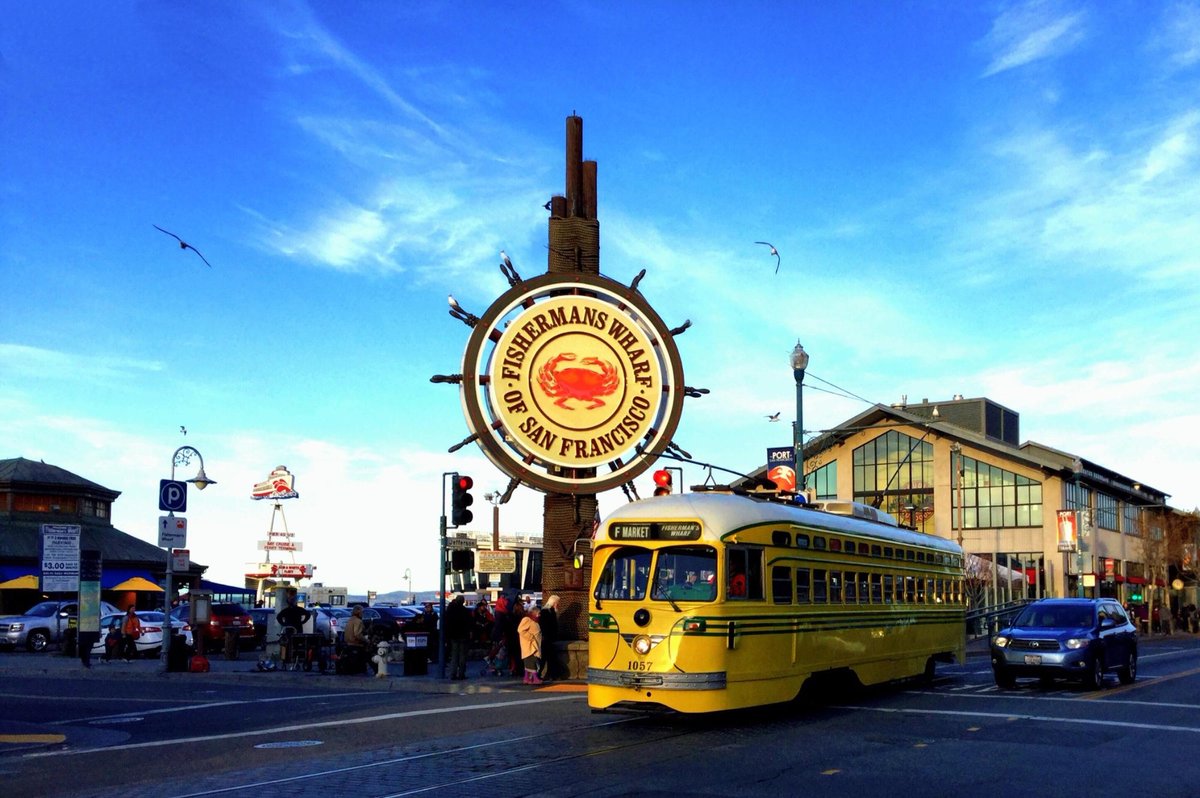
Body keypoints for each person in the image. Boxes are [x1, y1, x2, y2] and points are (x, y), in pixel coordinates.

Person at [444, 594, 472, 680]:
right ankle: (461, 674)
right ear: (463, 601)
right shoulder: (466, 611)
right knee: (462, 656)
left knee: (454, 656)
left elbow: (447, 624)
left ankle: (453, 674)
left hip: (453, 636)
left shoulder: (450, 611)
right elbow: (469, 624)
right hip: (463, 635)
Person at [340, 605, 369, 674]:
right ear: (358, 612)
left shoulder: (350, 620)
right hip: (356, 644)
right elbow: (357, 634)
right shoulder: (358, 621)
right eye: (362, 612)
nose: (363, 613)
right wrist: (367, 640)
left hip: (348, 644)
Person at [518, 606, 543, 684]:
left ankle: (527, 678)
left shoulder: (534, 621)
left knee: (529, 662)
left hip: (533, 645)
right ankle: (535, 678)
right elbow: (520, 630)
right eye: (538, 613)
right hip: (529, 645)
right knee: (532, 662)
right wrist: (531, 637)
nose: (539, 615)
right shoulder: (527, 619)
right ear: (534, 613)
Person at [538, 595, 560, 680]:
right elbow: (544, 625)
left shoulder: (551, 611)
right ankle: (539, 673)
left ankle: (550, 674)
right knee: (545, 657)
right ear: (554, 603)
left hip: (549, 638)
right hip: (546, 638)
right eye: (557, 603)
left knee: (549, 657)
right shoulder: (545, 612)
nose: (558, 605)